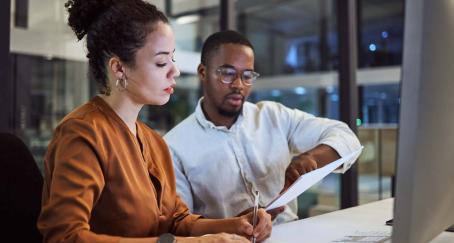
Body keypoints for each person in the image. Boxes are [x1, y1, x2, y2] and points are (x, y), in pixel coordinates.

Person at [37, 1, 272, 242]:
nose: (175, 71)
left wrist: (236, 225)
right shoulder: (82, 133)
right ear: (119, 68)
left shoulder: (152, 141)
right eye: (161, 62)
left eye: (172, 59)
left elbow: (176, 220)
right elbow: (64, 237)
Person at [164, 30, 362, 224]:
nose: (239, 85)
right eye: (227, 73)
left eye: (247, 75)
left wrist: (312, 159)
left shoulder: (274, 116)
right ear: (203, 72)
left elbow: (346, 137)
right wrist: (233, 224)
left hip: (291, 235)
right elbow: (181, 224)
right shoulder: (173, 147)